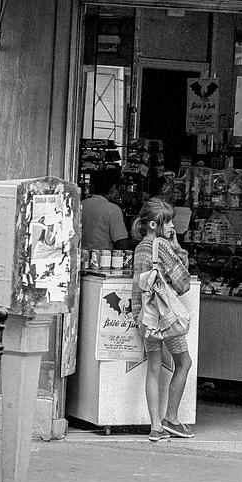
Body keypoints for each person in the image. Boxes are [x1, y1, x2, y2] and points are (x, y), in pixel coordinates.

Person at [131, 197, 194, 442]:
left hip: (146, 317)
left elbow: (138, 285)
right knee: (184, 363)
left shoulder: (140, 248)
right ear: (154, 225)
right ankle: (172, 419)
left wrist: (139, 315)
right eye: (167, 222)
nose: (172, 228)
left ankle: (155, 426)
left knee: (154, 368)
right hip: (166, 317)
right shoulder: (162, 246)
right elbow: (183, 283)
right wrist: (178, 247)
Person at [81, 170, 128, 251]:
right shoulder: (113, 209)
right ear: (113, 188)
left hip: (81, 256)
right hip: (103, 258)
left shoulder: (81, 205)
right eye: (118, 190)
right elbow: (121, 243)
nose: (118, 194)